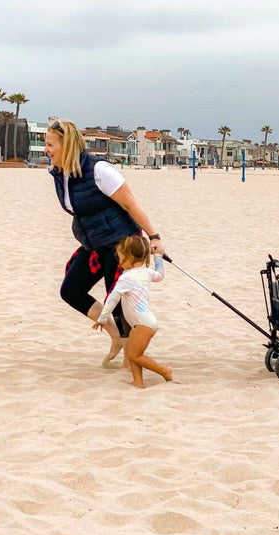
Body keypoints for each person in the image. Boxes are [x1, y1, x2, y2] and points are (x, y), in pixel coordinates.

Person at [45, 119, 165, 368]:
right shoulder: (62, 173)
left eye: (49, 144)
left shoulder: (99, 170)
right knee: (71, 291)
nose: (46, 150)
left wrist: (154, 237)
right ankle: (115, 336)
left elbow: (131, 205)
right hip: (93, 244)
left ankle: (129, 360)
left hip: (121, 246)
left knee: (122, 304)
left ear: (66, 146)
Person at [94, 236, 172, 388]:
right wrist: (158, 257)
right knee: (132, 353)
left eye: (121, 258)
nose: (119, 262)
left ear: (130, 257)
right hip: (144, 322)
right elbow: (160, 276)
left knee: (135, 355)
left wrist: (103, 318)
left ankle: (164, 371)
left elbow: (112, 299)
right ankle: (138, 382)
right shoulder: (146, 273)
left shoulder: (126, 278)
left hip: (143, 324)